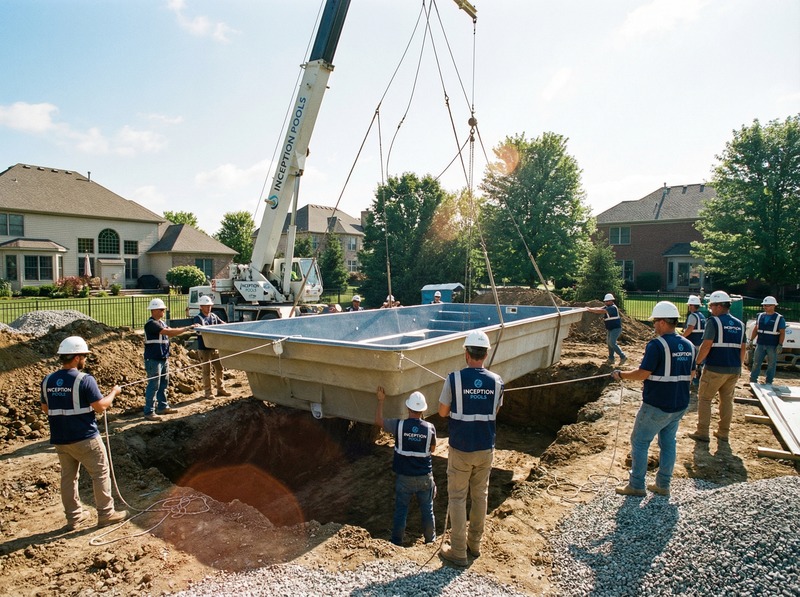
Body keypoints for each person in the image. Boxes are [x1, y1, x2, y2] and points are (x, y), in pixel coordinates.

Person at [40, 336, 128, 529]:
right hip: (85, 437)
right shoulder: (84, 379)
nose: (85, 360)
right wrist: (114, 392)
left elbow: (46, 409)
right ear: (77, 357)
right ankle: (106, 514)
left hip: (61, 439)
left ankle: (73, 518)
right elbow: (100, 407)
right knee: (100, 472)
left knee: (68, 477)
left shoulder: (47, 380)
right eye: (84, 356)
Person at [612, 302, 695, 497]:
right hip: (679, 404)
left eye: (655, 321)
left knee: (640, 441)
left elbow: (642, 373)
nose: (654, 325)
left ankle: (636, 485)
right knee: (668, 443)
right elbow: (691, 374)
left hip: (657, 404)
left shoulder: (657, 345)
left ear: (664, 322)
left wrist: (621, 375)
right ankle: (663, 485)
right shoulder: (689, 345)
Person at [438, 330, 504, 567]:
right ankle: (474, 545)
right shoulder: (497, 381)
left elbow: (443, 412)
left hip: (461, 447)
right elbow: (494, 412)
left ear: (467, 354)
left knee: (457, 498)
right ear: (485, 354)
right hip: (485, 447)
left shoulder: (453, 378)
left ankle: (458, 551)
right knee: (480, 496)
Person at [375, 387, 437, 546]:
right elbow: (432, 449)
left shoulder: (399, 425)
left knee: (401, 511)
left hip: (404, 478)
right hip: (424, 477)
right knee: (427, 510)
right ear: (423, 410)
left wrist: (381, 401)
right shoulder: (430, 428)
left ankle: (396, 542)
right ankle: (430, 541)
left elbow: (379, 422)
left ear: (408, 408)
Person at [688, 290, 746, 443]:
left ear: (719, 306)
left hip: (715, 368)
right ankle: (723, 433)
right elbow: (743, 348)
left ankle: (702, 432)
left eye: (712, 306)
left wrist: (697, 363)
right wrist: (739, 367)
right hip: (733, 369)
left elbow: (706, 345)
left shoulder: (714, 322)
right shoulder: (740, 324)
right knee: (726, 401)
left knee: (705, 399)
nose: (711, 309)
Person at [143, 298, 196, 422]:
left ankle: (162, 406)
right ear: (154, 310)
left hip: (162, 358)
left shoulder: (161, 323)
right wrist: (187, 328)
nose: (163, 312)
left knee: (163, 384)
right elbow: (169, 332)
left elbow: (169, 331)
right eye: (161, 310)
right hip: (153, 359)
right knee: (153, 385)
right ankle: (149, 411)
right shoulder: (151, 324)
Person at [193, 296, 230, 399]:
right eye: (206, 306)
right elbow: (198, 331)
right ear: (201, 307)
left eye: (209, 306)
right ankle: (208, 392)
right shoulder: (198, 318)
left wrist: (228, 327)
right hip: (204, 348)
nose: (208, 308)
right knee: (206, 371)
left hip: (214, 347)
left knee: (219, 368)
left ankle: (220, 389)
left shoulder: (213, 316)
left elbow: (222, 324)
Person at [749, 296, 786, 385]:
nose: (765, 307)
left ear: (773, 306)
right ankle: (753, 380)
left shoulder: (779, 318)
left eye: (768, 305)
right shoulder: (760, 316)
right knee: (756, 362)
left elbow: (782, 332)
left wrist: (780, 344)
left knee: (771, 364)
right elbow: (756, 329)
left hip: (772, 344)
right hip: (760, 343)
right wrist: (751, 340)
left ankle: (769, 381)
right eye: (764, 305)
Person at [586, 293, 627, 365]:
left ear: (611, 301)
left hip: (616, 328)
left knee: (612, 342)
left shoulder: (612, 308)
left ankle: (623, 356)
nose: (606, 302)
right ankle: (611, 359)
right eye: (605, 301)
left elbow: (601, 311)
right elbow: (598, 309)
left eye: (607, 301)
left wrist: (590, 310)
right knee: (609, 343)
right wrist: (589, 309)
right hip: (610, 328)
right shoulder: (607, 307)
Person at [682, 294, 706, 388]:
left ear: (692, 305)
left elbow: (690, 328)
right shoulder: (702, 316)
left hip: (693, 342)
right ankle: (699, 379)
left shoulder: (692, 316)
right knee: (700, 361)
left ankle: (695, 380)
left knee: (694, 362)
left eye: (689, 305)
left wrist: (682, 337)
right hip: (700, 341)